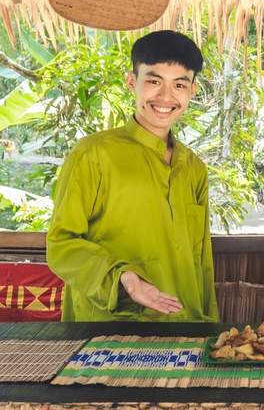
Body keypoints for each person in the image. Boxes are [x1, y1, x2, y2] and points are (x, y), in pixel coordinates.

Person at [45, 30, 218, 322]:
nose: (165, 96)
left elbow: (201, 262)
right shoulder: (93, 154)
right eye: (153, 81)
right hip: (111, 329)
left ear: (192, 90)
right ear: (131, 82)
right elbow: (62, 245)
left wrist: (210, 327)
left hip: (185, 327)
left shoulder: (194, 167)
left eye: (179, 84)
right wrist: (122, 278)